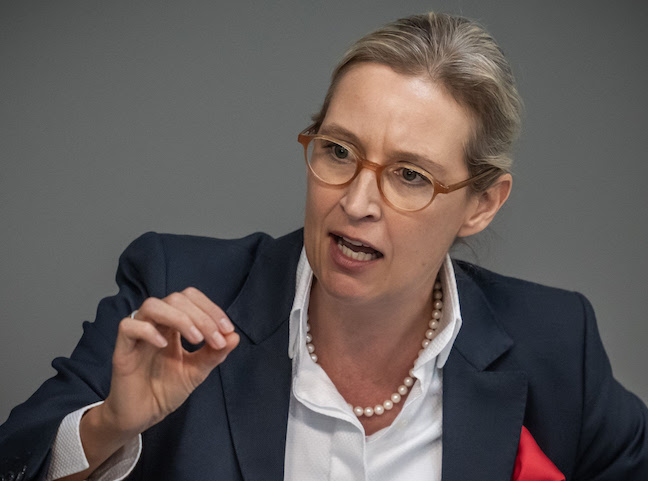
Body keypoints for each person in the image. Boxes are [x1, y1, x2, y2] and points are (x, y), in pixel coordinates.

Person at [1, 11, 647, 481]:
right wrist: (109, 424)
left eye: (409, 175)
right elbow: (17, 457)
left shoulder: (557, 343)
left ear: (480, 203)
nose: (357, 201)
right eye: (339, 151)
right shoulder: (177, 284)